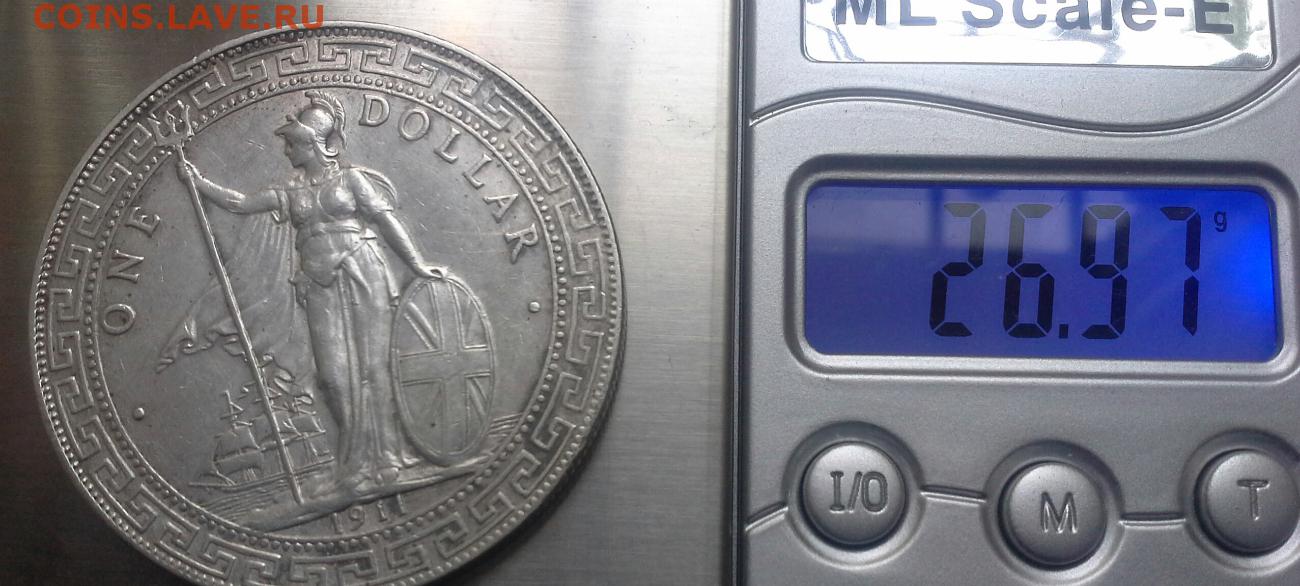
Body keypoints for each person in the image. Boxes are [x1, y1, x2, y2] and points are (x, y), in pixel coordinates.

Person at [174, 90, 442, 496]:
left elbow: (386, 222)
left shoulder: (351, 180)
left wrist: (417, 264)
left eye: (292, 143)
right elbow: (241, 203)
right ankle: (353, 465)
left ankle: (388, 460)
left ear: (312, 143)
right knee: (332, 377)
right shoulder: (291, 189)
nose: (286, 150)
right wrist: (198, 183)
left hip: (362, 270)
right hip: (317, 282)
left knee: (373, 368)